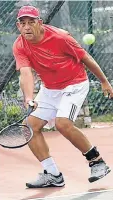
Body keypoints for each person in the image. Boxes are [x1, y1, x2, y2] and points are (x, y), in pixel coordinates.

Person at [13, 5, 113, 188]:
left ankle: (97, 162)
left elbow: (85, 58)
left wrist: (104, 81)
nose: (27, 27)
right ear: (18, 26)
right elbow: (26, 73)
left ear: (39, 23)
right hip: (50, 88)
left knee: (63, 124)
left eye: (31, 22)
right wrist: (29, 98)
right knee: (29, 126)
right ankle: (52, 174)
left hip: (74, 84)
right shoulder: (20, 45)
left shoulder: (60, 37)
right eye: (23, 23)